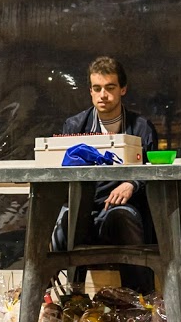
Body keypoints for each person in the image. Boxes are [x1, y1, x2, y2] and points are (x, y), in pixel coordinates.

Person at [51, 56, 158, 294]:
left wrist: (131, 183)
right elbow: (60, 171)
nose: (103, 95)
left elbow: (153, 171)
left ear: (123, 89)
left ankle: (138, 301)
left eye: (110, 88)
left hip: (122, 208)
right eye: (97, 88)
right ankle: (49, 298)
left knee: (123, 217)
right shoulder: (74, 126)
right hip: (82, 208)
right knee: (61, 222)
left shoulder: (142, 127)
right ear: (90, 91)